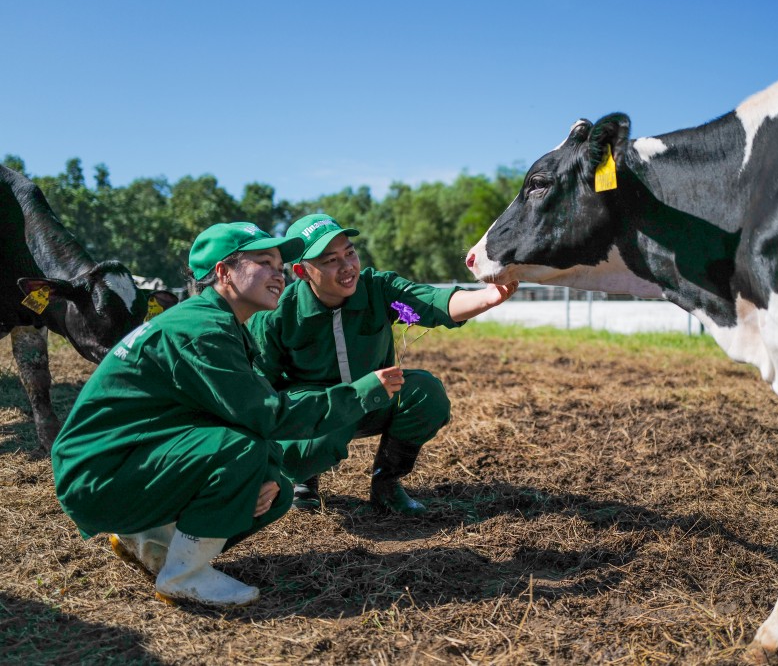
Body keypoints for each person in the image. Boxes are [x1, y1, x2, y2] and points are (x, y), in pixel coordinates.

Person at [50, 222, 401, 609]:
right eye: (264, 262)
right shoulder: (203, 331)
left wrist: (267, 469)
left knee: (276, 488)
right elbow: (267, 415)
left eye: (280, 266)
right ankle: (183, 575)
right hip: (101, 474)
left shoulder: (213, 321)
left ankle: (153, 541)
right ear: (224, 273)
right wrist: (362, 392)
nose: (278, 274)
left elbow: (240, 414)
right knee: (242, 451)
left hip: (127, 461)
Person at [247, 214, 517, 514]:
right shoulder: (277, 314)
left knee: (426, 393)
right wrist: (260, 469)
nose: (347, 266)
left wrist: (488, 297)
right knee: (311, 433)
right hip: (320, 414)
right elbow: (259, 392)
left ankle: (386, 482)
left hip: (375, 398)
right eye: (331, 260)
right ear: (302, 271)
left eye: (350, 253)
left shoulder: (377, 287)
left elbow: (433, 302)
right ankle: (303, 478)